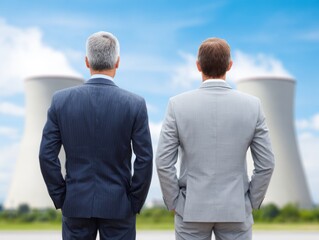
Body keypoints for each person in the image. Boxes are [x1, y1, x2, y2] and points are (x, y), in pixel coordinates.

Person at [156, 38, 275, 240]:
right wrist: (250, 202)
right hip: (236, 210)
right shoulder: (253, 106)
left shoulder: (177, 105)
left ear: (198, 66)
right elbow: (267, 164)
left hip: (190, 210)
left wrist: (175, 201)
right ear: (229, 66)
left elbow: (163, 162)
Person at [39, 31, 153, 240]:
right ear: (117, 62)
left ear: (86, 61)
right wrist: (134, 201)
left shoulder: (60, 101)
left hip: (75, 204)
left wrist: (62, 196)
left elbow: (46, 155)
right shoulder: (135, 104)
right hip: (119, 205)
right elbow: (144, 159)